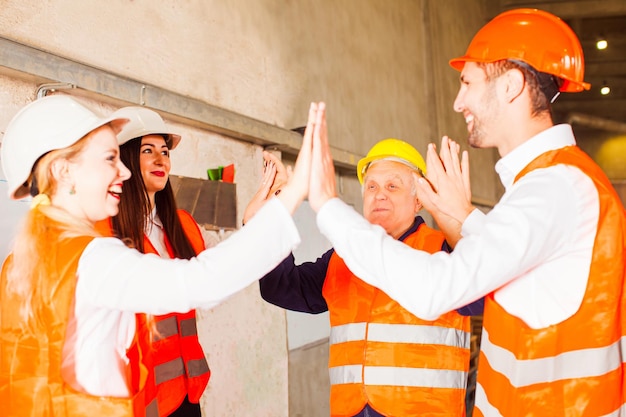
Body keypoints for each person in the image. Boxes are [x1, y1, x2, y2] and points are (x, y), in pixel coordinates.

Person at [306, 8, 626, 416]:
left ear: (511, 85)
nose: (459, 102)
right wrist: (467, 218)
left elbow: (436, 289)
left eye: (467, 82)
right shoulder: (551, 183)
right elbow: (519, 279)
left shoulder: (555, 187)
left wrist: (328, 205)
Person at [0, 95, 317, 416]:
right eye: (110, 158)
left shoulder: (28, 257)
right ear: (63, 171)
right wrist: (289, 198)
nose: (124, 171)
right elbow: (201, 282)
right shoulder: (91, 258)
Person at [248, 139, 483, 417]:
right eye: (371, 186)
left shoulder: (446, 250)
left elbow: (482, 296)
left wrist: (458, 218)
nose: (379, 195)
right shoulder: (343, 257)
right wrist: (266, 224)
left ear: (418, 199)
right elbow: (280, 287)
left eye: (392, 186)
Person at [95, 106, 209, 417]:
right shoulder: (106, 233)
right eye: (148, 150)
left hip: (187, 392)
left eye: (165, 151)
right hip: (139, 401)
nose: (162, 160)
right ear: (125, 159)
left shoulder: (183, 227)